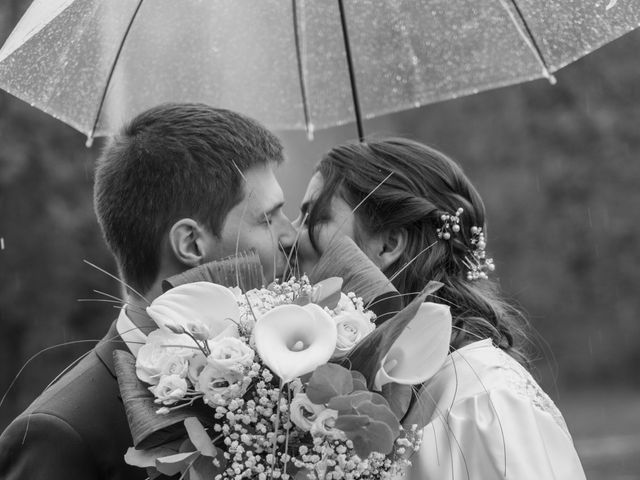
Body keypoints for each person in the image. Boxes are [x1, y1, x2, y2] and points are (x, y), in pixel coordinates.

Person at [0, 103, 298, 479]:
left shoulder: (283, 385)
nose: (291, 235)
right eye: (268, 219)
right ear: (190, 243)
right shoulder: (61, 434)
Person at [293, 137, 587, 479]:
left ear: (388, 244)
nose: (289, 238)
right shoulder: (364, 391)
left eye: (312, 216)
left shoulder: (479, 402)